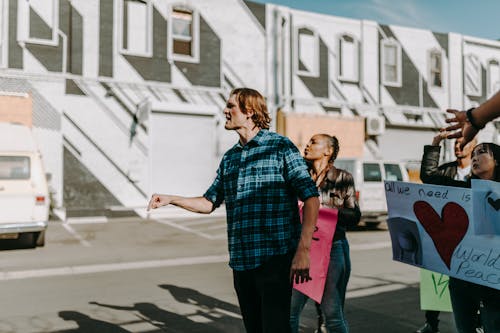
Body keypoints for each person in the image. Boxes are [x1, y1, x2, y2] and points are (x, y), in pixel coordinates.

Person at [147, 88, 320, 333]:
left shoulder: (280, 147)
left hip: (275, 259)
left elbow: (311, 197)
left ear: (249, 112)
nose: (225, 111)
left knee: (275, 328)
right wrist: (172, 199)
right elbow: (209, 202)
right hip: (241, 262)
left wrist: (303, 251)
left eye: (231, 106)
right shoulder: (230, 158)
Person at [420, 141, 500, 333]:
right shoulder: (460, 191)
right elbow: (429, 177)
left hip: (495, 282)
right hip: (462, 279)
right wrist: (435, 144)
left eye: (481, 152)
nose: (474, 157)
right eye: (473, 154)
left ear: (497, 160)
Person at [289, 134, 361, 333]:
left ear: (328, 151)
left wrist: (322, 210)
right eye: (308, 142)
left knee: (332, 315)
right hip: (301, 249)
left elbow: (354, 215)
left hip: (332, 247)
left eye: (313, 142)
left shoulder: (342, 178)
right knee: (290, 311)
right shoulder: (298, 176)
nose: (307, 145)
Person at [416, 132, 476, 333]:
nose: (458, 147)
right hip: (446, 238)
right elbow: (428, 176)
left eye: (464, 143)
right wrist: (436, 142)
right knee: (436, 281)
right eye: (456, 144)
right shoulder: (447, 171)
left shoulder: (479, 175)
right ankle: (431, 323)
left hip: (472, 243)